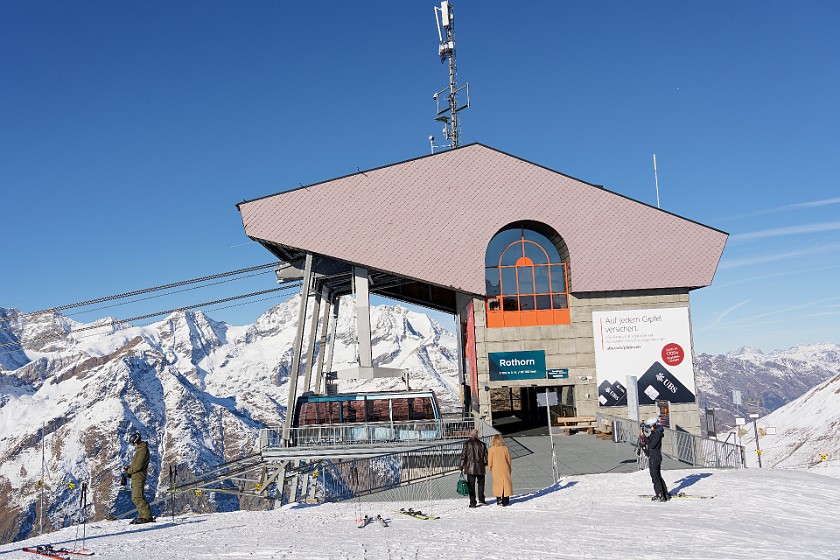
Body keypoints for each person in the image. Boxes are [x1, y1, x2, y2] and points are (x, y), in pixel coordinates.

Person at [124, 431, 154, 523]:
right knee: (135, 497)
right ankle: (142, 516)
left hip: (139, 477)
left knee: (138, 497)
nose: (134, 445)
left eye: (134, 443)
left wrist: (128, 471)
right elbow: (136, 465)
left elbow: (138, 466)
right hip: (136, 476)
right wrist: (128, 468)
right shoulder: (140, 450)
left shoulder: (143, 450)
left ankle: (147, 517)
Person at [640, 417, 670, 502]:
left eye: (650, 426)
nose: (649, 428)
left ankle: (660, 495)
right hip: (654, 456)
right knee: (657, 475)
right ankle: (664, 493)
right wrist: (644, 436)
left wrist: (644, 437)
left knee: (655, 476)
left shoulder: (657, 434)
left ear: (655, 426)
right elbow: (648, 440)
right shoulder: (655, 433)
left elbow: (651, 445)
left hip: (655, 457)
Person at [459, 429, 488, 508]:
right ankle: (481, 499)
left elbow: (463, 456)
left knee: (471, 485)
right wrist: (484, 464)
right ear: (477, 435)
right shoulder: (482, 444)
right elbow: (486, 458)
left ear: (470, 435)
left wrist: (461, 466)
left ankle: (473, 502)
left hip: (470, 467)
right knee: (481, 484)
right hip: (480, 467)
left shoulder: (467, 444)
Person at [487, 434, 512, 506]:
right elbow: (508, 459)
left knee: (497, 483)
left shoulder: (491, 449)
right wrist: (509, 467)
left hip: (496, 468)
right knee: (505, 484)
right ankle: (505, 499)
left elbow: (490, 460)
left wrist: (490, 468)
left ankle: (498, 499)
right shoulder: (505, 448)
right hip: (505, 468)